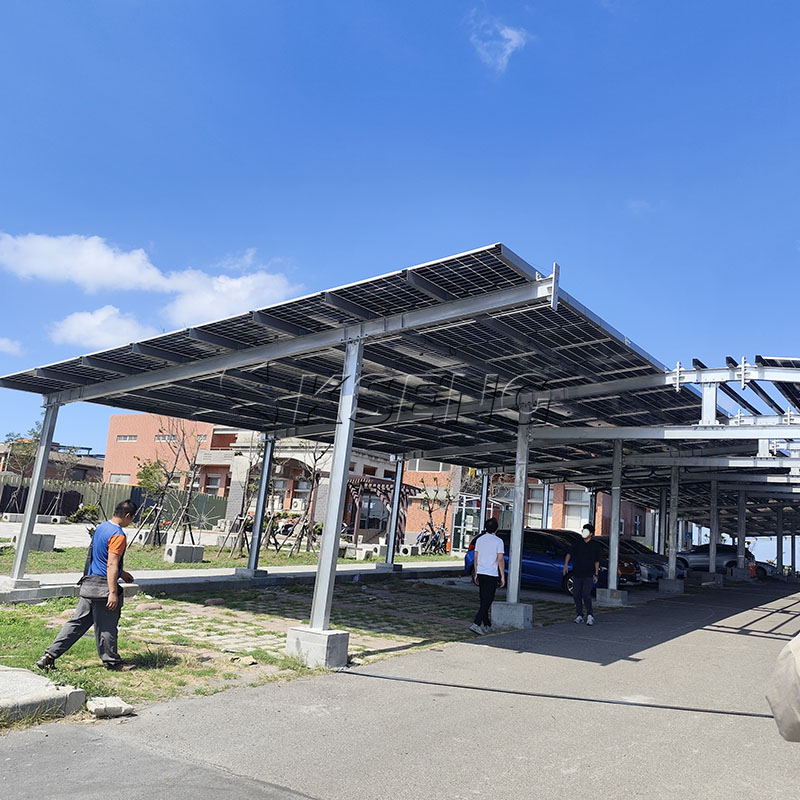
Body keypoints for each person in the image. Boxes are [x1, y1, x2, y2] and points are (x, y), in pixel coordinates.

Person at [36, 499, 138, 671]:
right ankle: (112, 662)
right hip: (103, 588)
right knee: (106, 626)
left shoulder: (102, 528)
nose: (131, 521)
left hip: (89, 584)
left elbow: (99, 556)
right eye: (132, 518)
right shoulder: (118, 535)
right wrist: (112, 592)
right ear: (127, 515)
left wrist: (122, 573)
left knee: (76, 623)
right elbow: (111, 564)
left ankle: (49, 656)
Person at [470, 517, 505, 635]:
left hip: (481, 572)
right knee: (488, 600)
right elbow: (500, 560)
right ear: (496, 528)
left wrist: (475, 572)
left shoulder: (480, 540)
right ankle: (476, 623)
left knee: (483, 600)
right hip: (491, 573)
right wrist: (503, 576)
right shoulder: (498, 541)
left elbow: (476, 557)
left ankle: (487, 624)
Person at [563, 522, 601, 626]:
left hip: (589, 574)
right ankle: (579, 615)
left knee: (586, 594)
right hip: (577, 573)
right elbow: (569, 553)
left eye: (586, 531)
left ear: (591, 533)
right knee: (576, 594)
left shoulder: (595, 545)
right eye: (583, 531)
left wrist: (596, 574)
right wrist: (566, 565)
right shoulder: (577, 543)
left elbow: (596, 561)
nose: (583, 533)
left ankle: (590, 615)